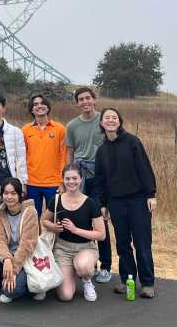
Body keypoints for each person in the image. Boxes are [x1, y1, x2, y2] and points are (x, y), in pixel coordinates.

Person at [95, 108, 158, 298]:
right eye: (107, 118)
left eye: (114, 117)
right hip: (116, 202)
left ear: (120, 122)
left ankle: (147, 284)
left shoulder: (132, 142)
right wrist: (103, 204)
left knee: (142, 243)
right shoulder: (102, 150)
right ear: (101, 123)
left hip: (138, 199)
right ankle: (127, 280)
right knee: (122, 244)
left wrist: (151, 194)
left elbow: (144, 167)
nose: (111, 120)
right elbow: (100, 180)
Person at [66, 86, 112, 283]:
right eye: (81, 99)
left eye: (88, 98)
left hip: (101, 178)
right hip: (79, 177)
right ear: (77, 103)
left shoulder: (105, 120)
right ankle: (86, 264)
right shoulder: (72, 125)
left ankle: (106, 266)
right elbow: (70, 152)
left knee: (100, 220)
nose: (85, 102)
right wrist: (68, 176)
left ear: (94, 99)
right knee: (80, 219)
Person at [41, 164, 105, 302]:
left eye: (75, 178)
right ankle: (70, 275)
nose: (71, 182)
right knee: (65, 296)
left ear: (81, 179)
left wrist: (75, 230)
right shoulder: (56, 200)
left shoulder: (91, 203)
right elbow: (44, 221)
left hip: (86, 248)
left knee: (83, 266)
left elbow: (101, 234)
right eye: (67, 178)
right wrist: (54, 227)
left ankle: (87, 280)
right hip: (62, 249)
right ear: (63, 180)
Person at [0, 178, 41, 303]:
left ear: (20, 195)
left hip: (27, 258)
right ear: (1, 195)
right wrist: (7, 259)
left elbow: (27, 245)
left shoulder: (30, 212)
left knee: (11, 292)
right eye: (6, 193)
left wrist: (14, 270)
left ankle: (35, 287)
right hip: (10, 256)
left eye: (13, 193)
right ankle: (9, 282)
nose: (9, 197)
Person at [22, 93, 66, 217]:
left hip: (53, 182)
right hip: (32, 182)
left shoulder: (59, 129)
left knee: (56, 217)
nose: (39, 106)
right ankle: (35, 237)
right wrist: (23, 182)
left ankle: (54, 238)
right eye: (35, 104)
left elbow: (63, 155)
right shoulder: (25, 130)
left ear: (48, 107)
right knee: (33, 217)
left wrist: (61, 181)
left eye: (42, 103)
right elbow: (22, 156)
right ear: (31, 109)